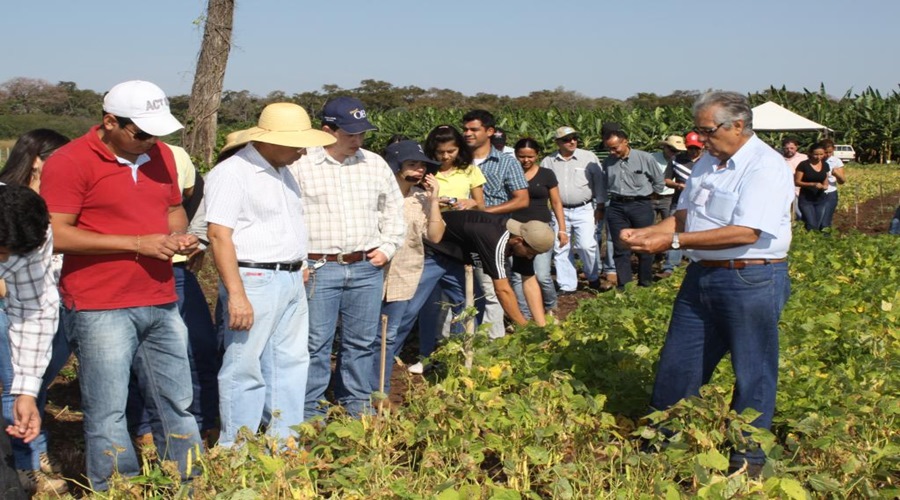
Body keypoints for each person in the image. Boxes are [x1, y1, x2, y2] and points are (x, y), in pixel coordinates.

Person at [40, 80, 201, 490]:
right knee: (107, 409)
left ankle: (187, 482)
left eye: (158, 133)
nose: (151, 141)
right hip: (100, 304)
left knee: (177, 402)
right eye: (142, 132)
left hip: (161, 297)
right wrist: (137, 244)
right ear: (110, 122)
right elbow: (57, 234)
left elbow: (172, 210)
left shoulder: (160, 154)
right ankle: (118, 489)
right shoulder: (69, 161)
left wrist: (179, 237)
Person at [621, 91, 793, 475]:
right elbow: (685, 218)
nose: (699, 140)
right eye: (696, 131)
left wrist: (673, 242)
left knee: (753, 370)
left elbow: (747, 232)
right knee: (679, 363)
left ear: (736, 126)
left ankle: (747, 460)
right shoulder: (707, 163)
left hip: (751, 277)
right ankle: (662, 443)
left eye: (706, 131)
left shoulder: (764, 166)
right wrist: (649, 232)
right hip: (702, 276)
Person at [206, 102, 335, 445]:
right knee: (243, 366)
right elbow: (219, 235)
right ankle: (236, 449)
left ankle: (283, 444)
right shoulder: (232, 173)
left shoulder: (284, 171)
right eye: (296, 144)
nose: (302, 151)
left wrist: (299, 267)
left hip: (290, 277)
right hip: (253, 279)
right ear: (269, 139)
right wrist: (236, 294)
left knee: (291, 363)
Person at [288, 97, 405, 418]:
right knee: (314, 345)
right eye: (350, 134)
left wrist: (388, 247)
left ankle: (356, 405)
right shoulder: (300, 165)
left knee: (362, 342)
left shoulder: (374, 164)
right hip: (318, 267)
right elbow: (287, 216)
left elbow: (394, 210)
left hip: (366, 267)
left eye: (362, 134)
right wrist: (298, 261)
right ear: (327, 130)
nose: (358, 141)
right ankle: (309, 411)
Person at [0, 130, 70, 494]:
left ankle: (22, 465)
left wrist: (25, 390)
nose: (7, 262)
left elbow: (33, 313)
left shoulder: (36, 234)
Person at [374, 140, 444, 393]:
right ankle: (356, 389)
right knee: (362, 337)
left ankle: (379, 388)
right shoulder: (376, 194)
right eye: (412, 164)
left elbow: (435, 237)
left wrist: (434, 200)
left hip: (405, 274)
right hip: (371, 273)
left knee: (388, 335)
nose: (420, 170)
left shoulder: (420, 199)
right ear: (394, 165)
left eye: (422, 166)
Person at [462, 110, 529, 338]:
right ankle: (462, 339)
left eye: (474, 129)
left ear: (489, 132)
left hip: (492, 234)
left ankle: (493, 343)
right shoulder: (457, 160)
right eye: (466, 129)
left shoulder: (507, 162)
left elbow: (522, 199)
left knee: (492, 290)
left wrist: (482, 211)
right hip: (458, 233)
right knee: (461, 290)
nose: (468, 134)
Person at [429, 210, 553, 328]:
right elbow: (502, 290)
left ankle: (462, 346)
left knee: (471, 305)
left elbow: (530, 282)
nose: (530, 257)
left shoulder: (523, 240)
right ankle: (425, 349)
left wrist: (541, 327)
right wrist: (524, 328)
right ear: (518, 241)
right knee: (419, 307)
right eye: (531, 253)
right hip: (429, 250)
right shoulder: (495, 239)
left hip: (452, 257)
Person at [540, 126, 606, 294]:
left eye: (574, 138)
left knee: (586, 245)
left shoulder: (588, 157)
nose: (572, 142)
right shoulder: (548, 161)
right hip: (559, 210)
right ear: (557, 143)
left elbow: (599, 182)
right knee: (561, 247)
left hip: (584, 208)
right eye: (567, 139)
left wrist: (600, 205)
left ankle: (592, 276)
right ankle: (567, 285)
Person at [602, 128, 666, 288]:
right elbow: (605, 184)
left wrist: (651, 196)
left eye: (615, 147)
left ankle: (645, 283)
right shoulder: (608, 162)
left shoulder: (644, 158)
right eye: (609, 148)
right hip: (616, 206)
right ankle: (625, 286)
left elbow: (659, 181)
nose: (612, 151)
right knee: (620, 246)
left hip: (640, 205)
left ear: (625, 141)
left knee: (644, 244)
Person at [510, 138, 566, 317]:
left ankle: (550, 306)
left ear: (537, 155)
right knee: (518, 276)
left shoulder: (546, 174)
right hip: (517, 229)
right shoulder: (510, 173)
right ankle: (524, 315)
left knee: (542, 275)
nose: (526, 160)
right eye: (521, 156)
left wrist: (562, 230)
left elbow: (556, 202)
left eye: (530, 156)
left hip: (542, 230)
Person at [652, 135, 685, 278]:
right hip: (652, 196)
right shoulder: (652, 158)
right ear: (664, 147)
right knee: (652, 229)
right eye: (672, 149)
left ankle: (670, 263)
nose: (674, 152)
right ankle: (654, 258)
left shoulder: (680, 161)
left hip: (670, 197)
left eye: (677, 150)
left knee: (672, 232)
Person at [793, 143, 831, 231]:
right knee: (811, 224)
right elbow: (797, 182)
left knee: (817, 224)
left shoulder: (825, 165)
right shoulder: (803, 165)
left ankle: (814, 242)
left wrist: (825, 186)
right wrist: (812, 184)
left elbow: (825, 180)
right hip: (806, 200)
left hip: (820, 199)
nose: (818, 157)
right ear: (810, 153)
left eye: (821, 154)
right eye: (816, 154)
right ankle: (808, 240)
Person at [820, 138, 847, 229]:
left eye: (830, 152)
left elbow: (842, 181)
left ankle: (826, 238)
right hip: (817, 192)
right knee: (816, 220)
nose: (827, 155)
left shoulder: (836, 161)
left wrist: (836, 173)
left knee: (825, 221)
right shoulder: (815, 160)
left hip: (830, 192)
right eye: (825, 152)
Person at [782, 137, 808, 220]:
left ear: (796, 147)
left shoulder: (804, 158)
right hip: (786, 189)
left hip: (802, 189)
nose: (789, 150)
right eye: (786, 148)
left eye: (792, 148)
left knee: (802, 211)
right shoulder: (779, 159)